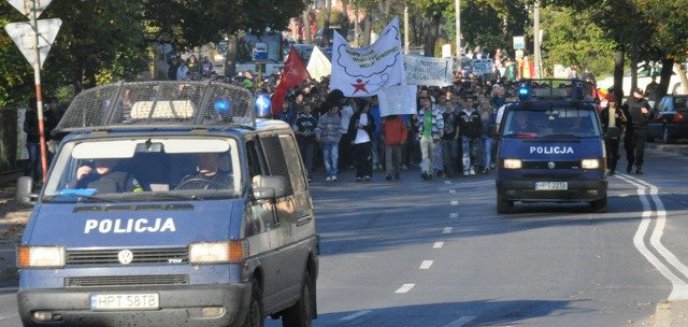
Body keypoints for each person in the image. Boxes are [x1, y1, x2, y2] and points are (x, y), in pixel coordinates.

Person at [67, 159, 143, 193]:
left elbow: (137, 197)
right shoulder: (84, 176)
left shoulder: (126, 176)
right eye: (98, 159)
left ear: (115, 161)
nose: (101, 162)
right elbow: (66, 197)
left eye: (106, 159)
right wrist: (76, 179)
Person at [624, 88, 652, 174]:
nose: (640, 95)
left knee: (640, 150)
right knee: (629, 148)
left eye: (641, 94)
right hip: (630, 129)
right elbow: (622, 112)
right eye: (639, 93)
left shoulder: (645, 102)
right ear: (634, 93)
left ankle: (638, 166)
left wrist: (647, 112)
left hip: (641, 128)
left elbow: (651, 114)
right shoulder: (628, 102)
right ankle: (630, 162)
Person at [416, 96, 444, 180]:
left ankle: (430, 172)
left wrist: (441, 129)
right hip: (424, 135)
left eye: (427, 101)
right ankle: (425, 171)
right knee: (424, 155)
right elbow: (419, 124)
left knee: (432, 156)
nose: (425, 103)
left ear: (431, 102)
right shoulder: (421, 112)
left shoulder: (436, 112)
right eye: (424, 101)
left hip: (433, 136)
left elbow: (440, 121)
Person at [347, 100, 375, 181]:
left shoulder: (370, 116)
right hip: (357, 139)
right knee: (359, 158)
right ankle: (359, 174)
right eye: (366, 106)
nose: (367, 108)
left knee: (368, 158)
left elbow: (372, 127)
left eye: (368, 106)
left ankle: (367, 173)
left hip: (367, 139)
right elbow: (350, 128)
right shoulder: (355, 116)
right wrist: (352, 139)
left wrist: (364, 127)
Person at [316, 104, 344, 182]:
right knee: (326, 157)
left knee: (335, 156)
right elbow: (318, 128)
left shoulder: (338, 118)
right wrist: (318, 136)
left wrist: (339, 138)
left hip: (335, 141)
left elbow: (341, 129)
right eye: (334, 109)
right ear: (330, 109)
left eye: (337, 110)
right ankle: (328, 173)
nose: (336, 111)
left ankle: (334, 173)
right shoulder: (322, 118)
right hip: (325, 140)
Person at [600, 93, 627, 175]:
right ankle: (608, 167)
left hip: (615, 132)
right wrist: (603, 131)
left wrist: (619, 117)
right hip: (607, 132)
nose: (612, 103)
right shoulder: (604, 111)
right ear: (608, 102)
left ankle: (613, 169)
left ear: (615, 102)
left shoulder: (619, 110)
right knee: (608, 151)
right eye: (610, 101)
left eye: (613, 102)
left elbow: (625, 120)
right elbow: (600, 121)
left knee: (614, 151)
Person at [458, 96, 482, 176]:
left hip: (474, 137)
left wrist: (478, 135)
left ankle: (472, 168)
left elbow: (479, 125)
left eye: (470, 102)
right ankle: (466, 169)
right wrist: (459, 135)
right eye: (467, 102)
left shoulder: (476, 113)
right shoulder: (461, 113)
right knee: (465, 153)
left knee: (473, 153)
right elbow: (458, 125)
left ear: (473, 103)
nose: (469, 103)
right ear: (465, 103)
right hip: (465, 136)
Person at [293, 103, 318, 181]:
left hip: (310, 141)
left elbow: (317, 131)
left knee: (309, 158)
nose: (307, 110)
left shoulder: (313, 120)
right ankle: (302, 175)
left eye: (308, 108)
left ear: (310, 110)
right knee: (301, 159)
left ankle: (309, 176)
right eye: (305, 108)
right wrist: (302, 133)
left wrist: (312, 133)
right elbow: (294, 130)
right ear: (303, 110)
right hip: (301, 141)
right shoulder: (299, 119)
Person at [382, 114, 408, 181]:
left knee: (397, 159)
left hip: (398, 142)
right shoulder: (386, 120)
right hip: (388, 142)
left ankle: (397, 172)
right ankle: (389, 173)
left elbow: (404, 130)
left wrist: (402, 140)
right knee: (388, 158)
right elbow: (382, 131)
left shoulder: (400, 120)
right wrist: (383, 124)